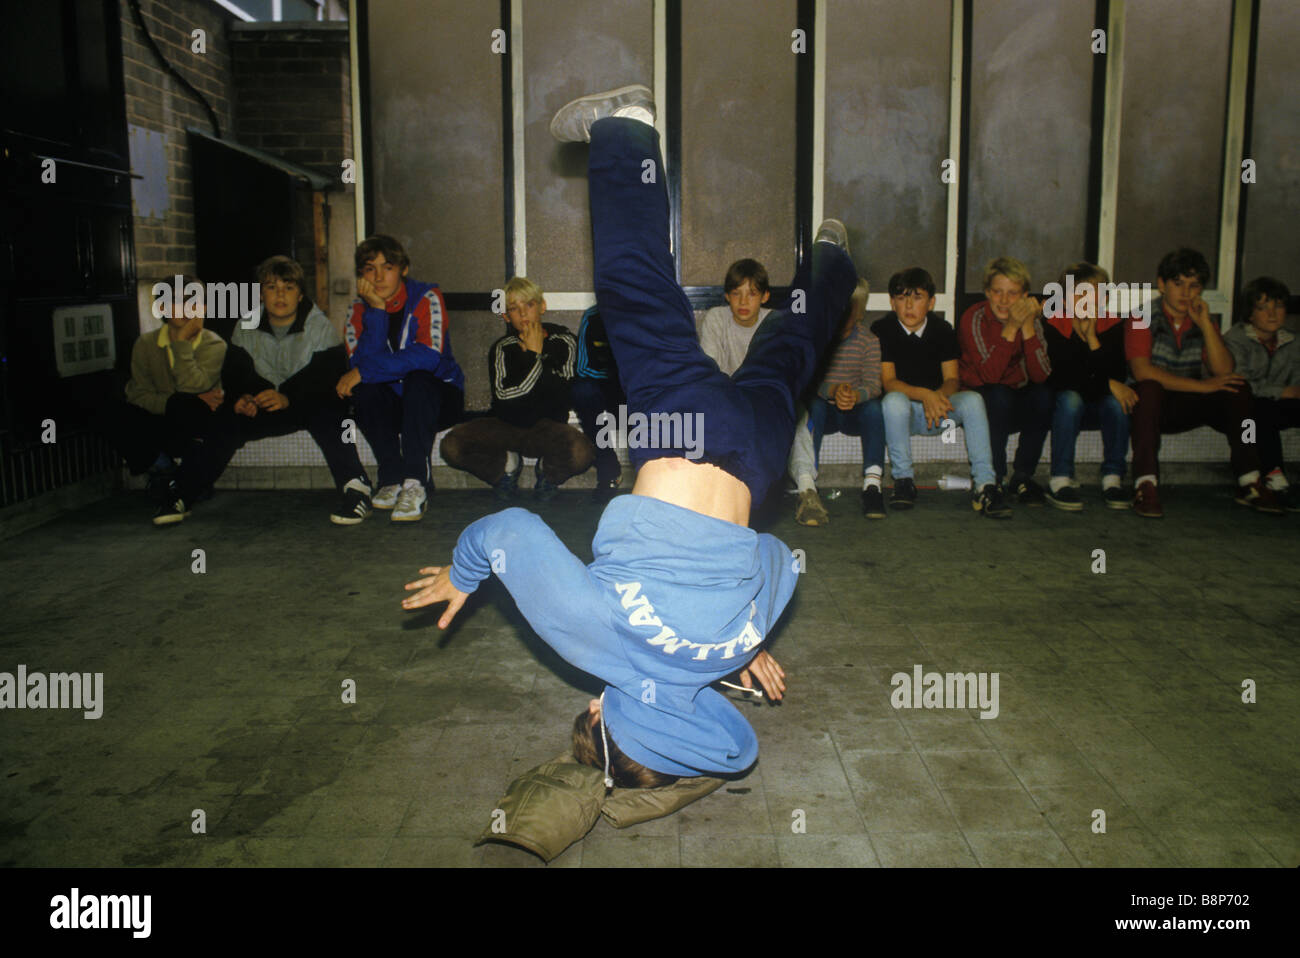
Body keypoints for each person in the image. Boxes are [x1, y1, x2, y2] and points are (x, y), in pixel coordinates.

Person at [403, 84, 856, 787]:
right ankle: (627, 131)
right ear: (610, 717)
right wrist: (463, 577)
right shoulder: (603, 650)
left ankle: (832, 261)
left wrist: (740, 645)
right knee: (636, 292)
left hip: (757, 461)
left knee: (788, 353)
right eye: (592, 715)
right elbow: (510, 532)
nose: (590, 699)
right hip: (681, 431)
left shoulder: (724, 651)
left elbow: (776, 559)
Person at [1126, 248, 1282, 517]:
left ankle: (1250, 479)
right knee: (1149, 389)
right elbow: (1142, 372)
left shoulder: (1201, 319)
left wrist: (1207, 326)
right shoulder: (1141, 317)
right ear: (1162, 285)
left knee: (1238, 388)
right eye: (1178, 284)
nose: (1186, 293)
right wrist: (1204, 387)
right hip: (1149, 408)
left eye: (1194, 286)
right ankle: (1145, 484)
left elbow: (1224, 370)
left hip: (1186, 403)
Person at [223, 255, 375, 524]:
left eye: (289, 287)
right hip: (265, 404)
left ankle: (357, 488)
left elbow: (327, 380)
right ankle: (182, 492)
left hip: (307, 404)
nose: (280, 295)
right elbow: (235, 373)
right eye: (272, 287)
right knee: (225, 418)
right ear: (261, 293)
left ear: (300, 294)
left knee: (331, 413)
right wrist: (242, 397)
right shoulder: (245, 325)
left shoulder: (319, 326)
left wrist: (288, 397)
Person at [340, 235, 465, 522]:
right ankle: (391, 478)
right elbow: (361, 363)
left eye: (388, 267)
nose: (379, 276)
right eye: (370, 269)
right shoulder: (357, 310)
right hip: (393, 401)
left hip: (438, 397)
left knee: (418, 377)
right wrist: (377, 312)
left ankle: (415, 482)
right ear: (361, 275)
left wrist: (365, 371)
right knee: (365, 391)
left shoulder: (427, 296)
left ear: (403, 269)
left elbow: (430, 356)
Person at [438, 277, 595, 502]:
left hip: (548, 427)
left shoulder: (565, 341)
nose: (523, 314)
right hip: (506, 425)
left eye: (529, 305)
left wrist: (536, 355)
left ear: (542, 307)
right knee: (451, 446)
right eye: (514, 308)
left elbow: (563, 393)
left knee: (583, 453)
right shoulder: (503, 348)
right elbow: (505, 399)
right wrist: (534, 356)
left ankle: (547, 472)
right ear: (506, 316)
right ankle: (506, 467)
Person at [873, 268, 1010, 517]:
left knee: (973, 400)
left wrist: (937, 397)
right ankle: (904, 480)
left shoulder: (942, 329)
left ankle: (985, 484)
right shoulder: (883, 329)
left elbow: (952, 379)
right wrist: (926, 395)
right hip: (905, 415)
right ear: (893, 303)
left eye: (917, 297)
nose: (909, 306)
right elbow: (889, 382)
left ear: (931, 302)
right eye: (902, 298)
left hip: (939, 410)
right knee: (893, 400)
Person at [98, 275, 235, 525]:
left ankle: (186, 482)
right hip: (160, 424)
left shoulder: (214, 344)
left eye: (193, 302)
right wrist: (172, 402)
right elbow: (137, 395)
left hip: (195, 429)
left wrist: (182, 343)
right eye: (177, 302)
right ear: (162, 307)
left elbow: (192, 386)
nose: (186, 309)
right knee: (112, 411)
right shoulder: (146, 344)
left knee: (192, 407)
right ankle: (167, 471)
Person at [958, 256, 1052, 504]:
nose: (1004, 300)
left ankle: (1022, 476)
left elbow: (1041, 375)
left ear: (1024, 296)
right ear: (988, 292)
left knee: (1044, 395)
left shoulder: (1030, 318)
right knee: (998, 395)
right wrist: (1011, 328)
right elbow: (990, 376)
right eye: (997, 292)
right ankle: (994, 478)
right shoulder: (973, 317)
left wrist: (1029, 327)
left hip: (1016, 393)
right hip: (983, 397)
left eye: (1012, 294)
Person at [1041, 262, 1135, 511]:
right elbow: (1061, 376)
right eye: (1078, 292)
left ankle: (1113, 478)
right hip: (1065, 408)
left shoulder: (1112, 325)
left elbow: (1118, 373)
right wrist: (1106, 383)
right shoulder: (1053, 324)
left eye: (1093, 293)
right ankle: (1061, 479)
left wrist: (1092, 338)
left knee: (1117, 402)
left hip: (1098, 404)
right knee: (1071, 397)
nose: (1085, 299)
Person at [800, 278, 887, 522]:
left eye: (849, 309)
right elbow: (810, 382)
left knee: (874, 409)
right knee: (812, 407)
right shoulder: (817, 339)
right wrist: (834, 390)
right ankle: (807, 483)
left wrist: (853, 395)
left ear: (859, 312)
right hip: (824, 410)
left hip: (853, 411)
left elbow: (874, 385)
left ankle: (872, 484)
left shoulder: (869, 341)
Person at [1223, 276, 1299, 511]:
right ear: (1250, 313)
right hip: (1246, 406)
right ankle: (1274, 478)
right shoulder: (1236, 339)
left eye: (1278, 306)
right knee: (1262, 412)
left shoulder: (1293, 342)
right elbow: (1241, 382)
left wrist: (1292, 391)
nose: (1272, 314)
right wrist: (1282, 391)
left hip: (1280, 403)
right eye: (1263, 308)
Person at [571, 305, 628, 502]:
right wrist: (613, 378)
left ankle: (653, 472)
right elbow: (582, 368)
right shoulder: (592, 315)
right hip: (607, 386)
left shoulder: (647, 311)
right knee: (582, 390)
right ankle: (609, 468)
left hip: (638, 388)